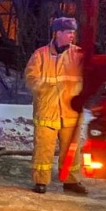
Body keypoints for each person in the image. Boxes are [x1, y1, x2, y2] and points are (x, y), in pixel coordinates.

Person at [24, 16, 88, 195]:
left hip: (70, 111)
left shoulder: (78, 55)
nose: (71, 36)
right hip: (47, 110)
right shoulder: (41, 54)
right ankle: (41, 181)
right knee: (43, 149)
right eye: (68, 32)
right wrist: (43, 88)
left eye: (73, 33)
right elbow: (30, 77)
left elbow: (90, 75)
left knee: (71, 151)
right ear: (57, 33)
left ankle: (71, 181)